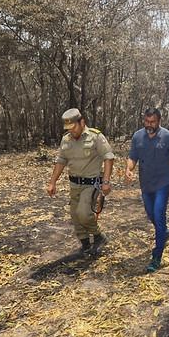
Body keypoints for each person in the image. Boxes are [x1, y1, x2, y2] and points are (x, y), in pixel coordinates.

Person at [46, 108, 115, 256]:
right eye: (68, 129)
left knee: (83, 213)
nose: (72, 131)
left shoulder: (95, 137)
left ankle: (98, 236)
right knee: (75, 216)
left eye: (74, 127)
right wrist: (52, 182)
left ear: (82, 122)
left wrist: (107, 181)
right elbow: (61, 160)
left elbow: (108, 157)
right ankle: (85, 244)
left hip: (91, 183)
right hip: (74, 184)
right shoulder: (66, 140)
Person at [125, 108, 169, 273]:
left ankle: (157, 256)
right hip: (146, 184)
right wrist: (128, 169)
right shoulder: (137, 136)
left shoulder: (168, 137)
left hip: (163, 183)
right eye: (146, 121)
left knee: (159, 215)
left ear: (159, 121)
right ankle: (163, 232)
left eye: (152, 122)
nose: (149, 125)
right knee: (151, 214)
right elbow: (132, 157)